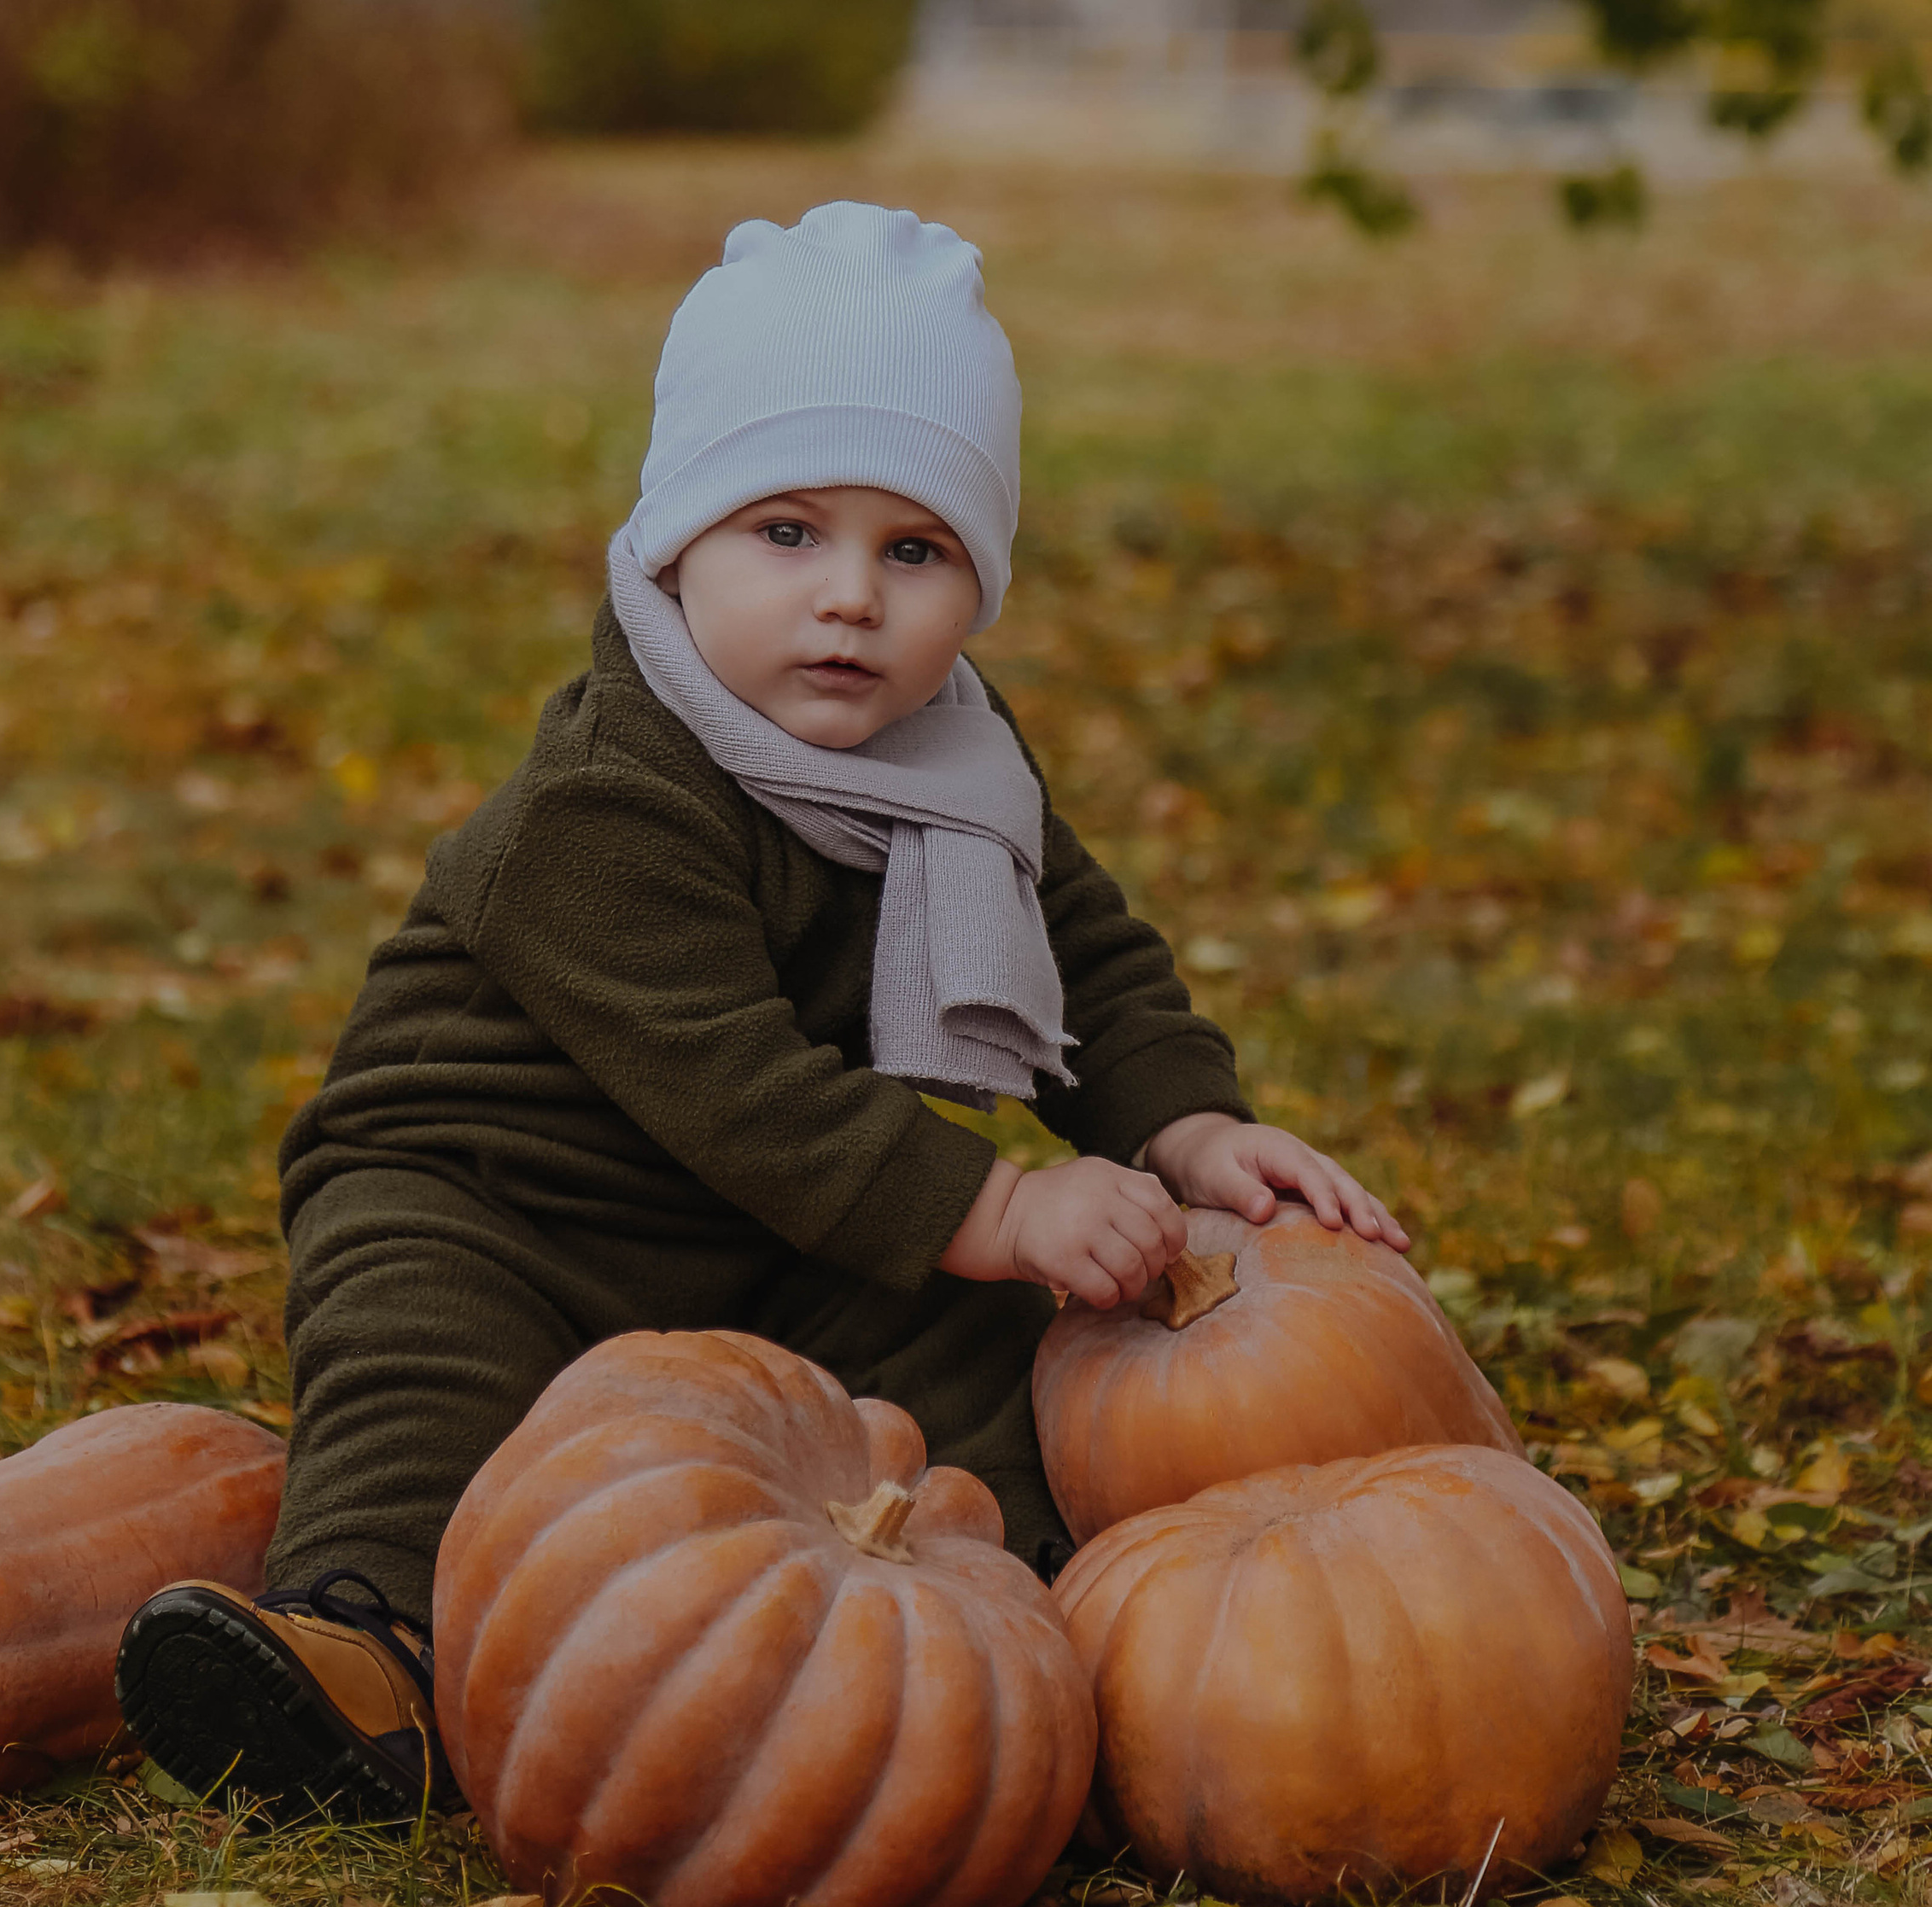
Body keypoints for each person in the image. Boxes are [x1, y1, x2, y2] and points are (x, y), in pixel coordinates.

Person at [115, 203, 1406, 1820]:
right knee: (420, 1365)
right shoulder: (608, 796)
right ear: (674, 543)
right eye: (786, 533)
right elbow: (734, 1084)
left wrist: (1187, 1124)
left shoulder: (950, 757)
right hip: (501, 1192)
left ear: (978, 584)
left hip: (771, 1230)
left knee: (996, 1349)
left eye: (914, 549)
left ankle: (1034, 1620)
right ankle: (364, 1655)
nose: (851, 600)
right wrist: (1003, 1200)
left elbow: (1076, 938)